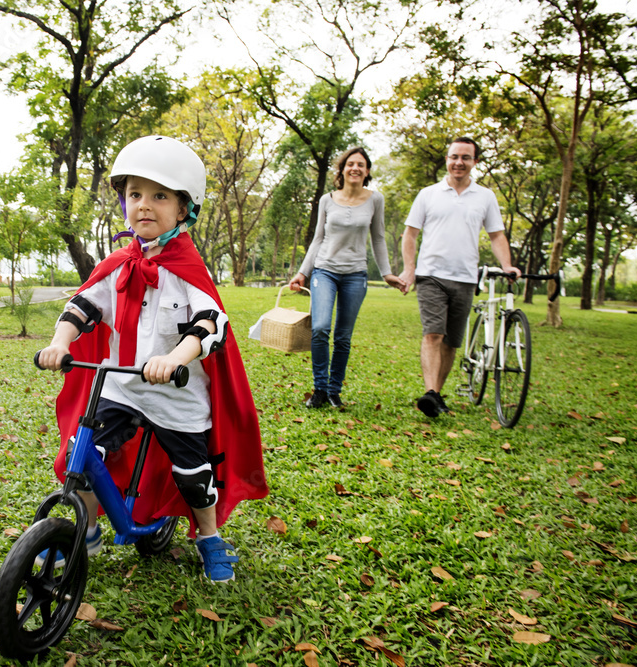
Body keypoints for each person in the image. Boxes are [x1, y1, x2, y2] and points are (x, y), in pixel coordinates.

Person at [36, 135, 268, 583]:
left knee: (195, 475)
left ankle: (208, 537)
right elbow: (83, 306)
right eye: (135, 194)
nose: (144, 204)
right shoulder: (120, 263)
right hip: (122, 385)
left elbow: (210, 324)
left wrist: (175, 357)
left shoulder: (187, 269)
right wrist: (61, 342)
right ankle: (85, 531)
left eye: (159, 195)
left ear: (183, 209)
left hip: (176, 394)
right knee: (82, 457)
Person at [399, 136, 521, 418]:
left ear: (474, 162)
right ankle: (430, 392)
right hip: (431, 275)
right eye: (455, 156)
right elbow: (411, 234)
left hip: (466, 278)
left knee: (452, 342)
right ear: (447, 159)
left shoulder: (485, 197)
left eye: (466, 158)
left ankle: (436, 394)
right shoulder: (428, 194)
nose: (459, 162)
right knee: (433, 333)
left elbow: (496, 235)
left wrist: (507, 264)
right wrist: (409, 268)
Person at [288, 147, 405, 409]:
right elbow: (318, 238)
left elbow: (377, 237)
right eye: (350, 164)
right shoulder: (327, 200)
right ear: (342, 170)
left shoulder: (376, 200)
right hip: (325, 270)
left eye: (361, 165)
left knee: (342, 336)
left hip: (355, 274)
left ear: (367, 171)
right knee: (319, 328)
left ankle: (334, 390)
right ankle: (319, 389)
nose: (355, 168)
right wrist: (302, 272)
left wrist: (387, 273)